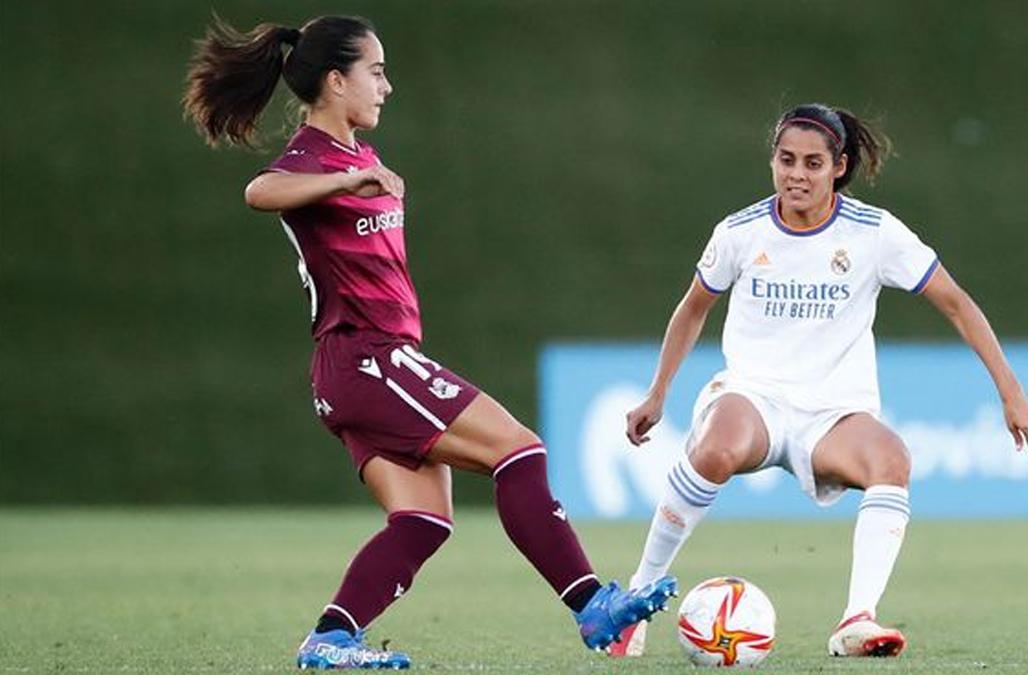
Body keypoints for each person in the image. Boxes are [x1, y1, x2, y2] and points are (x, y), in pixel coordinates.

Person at [182, 15, 675, 670]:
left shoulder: (363, 156)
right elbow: (258, 190)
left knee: (424, 518)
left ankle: (330, 638)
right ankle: (591, 605)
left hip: (366, 364)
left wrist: (356, 178)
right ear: (336, 80)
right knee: (519, 449)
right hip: (366, 357)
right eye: (376, 72)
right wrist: (339, 183)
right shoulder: (316, 159)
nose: (386, 86)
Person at [612, 103, 1028, 659]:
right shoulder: (740, 232)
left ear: (838, 166)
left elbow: (957, 304)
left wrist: (1012, 394)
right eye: (786, 159)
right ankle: (637, 597)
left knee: (891, 459)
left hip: (832, 413)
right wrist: (659, 393)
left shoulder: (874, 232)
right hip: (753, 396)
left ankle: (856, 620)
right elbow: (692, 309)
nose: (797, 174)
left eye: (813, 163)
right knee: (718, 446)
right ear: (772, 160)